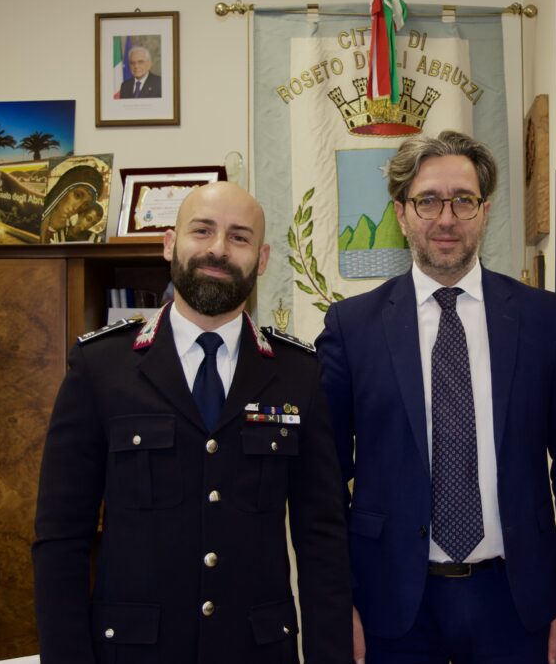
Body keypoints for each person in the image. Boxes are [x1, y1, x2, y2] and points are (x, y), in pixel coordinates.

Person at [33, 181, 352, 663]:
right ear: (169, 243)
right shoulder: (101, 367)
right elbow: (61, 537)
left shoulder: (297, 374)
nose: (218, 249)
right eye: (202, 230)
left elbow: (322, 538)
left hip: (256, 651)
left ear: (262, 259)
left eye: (239, 237)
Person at [316, 131, 556, 664]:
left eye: (463, 200)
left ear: (484, 212)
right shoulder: (352, 327)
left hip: (514, 601)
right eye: (428, 201)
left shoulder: (543, 320)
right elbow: (323, 479)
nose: (446, 219)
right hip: (391, 603)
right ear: (401, 215)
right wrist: (337, 597)